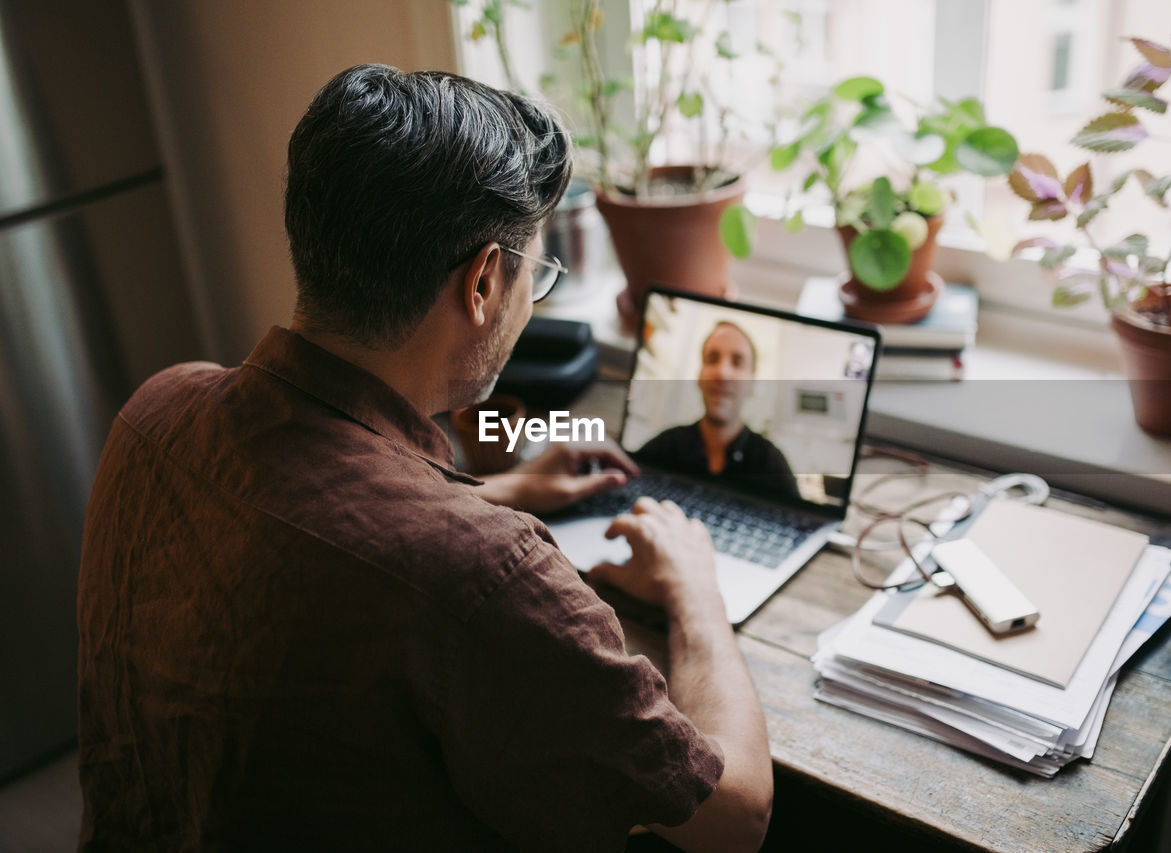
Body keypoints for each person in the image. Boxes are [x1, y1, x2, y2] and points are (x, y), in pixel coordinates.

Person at [77, 66, 771, 852]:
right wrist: (696, 589)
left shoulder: (157, 409)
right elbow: (733, 818)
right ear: (483, 281)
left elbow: (320, 517)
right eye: (533, 276)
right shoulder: (483, 573)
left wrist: (499, 489)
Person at [637, 321, 801, 499]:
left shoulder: (771, 464)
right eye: (712, 359)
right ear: (699, 376)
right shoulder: (664, 446)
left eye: (737, 362)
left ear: (752, 383)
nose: (722, 373)